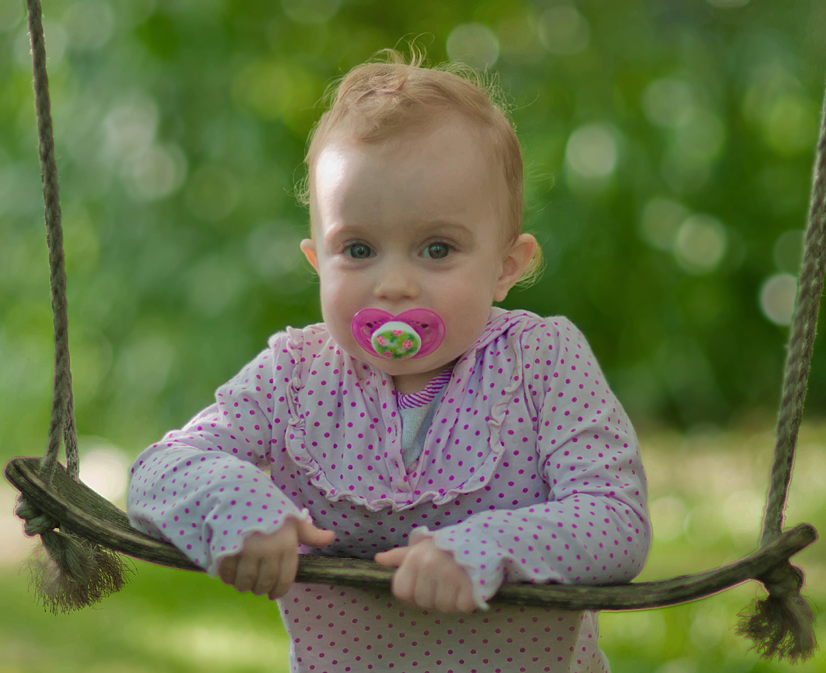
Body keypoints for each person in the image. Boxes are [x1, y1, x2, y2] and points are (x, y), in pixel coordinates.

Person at [127, 49, 650, 673]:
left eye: (436, 248)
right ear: (319, 263)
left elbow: (616, 519)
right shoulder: (296, 374)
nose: (394, 284)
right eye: (358, 248)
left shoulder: (541, 362)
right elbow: (158, 472)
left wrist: (486, 547)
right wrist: (239, 507)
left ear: (506, 266)